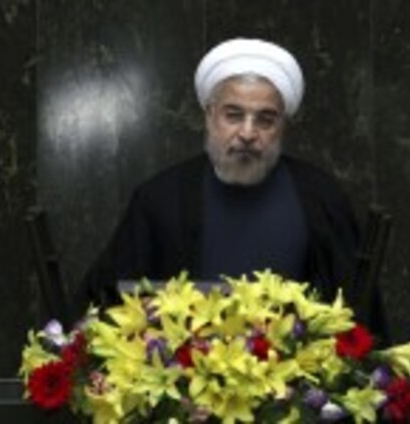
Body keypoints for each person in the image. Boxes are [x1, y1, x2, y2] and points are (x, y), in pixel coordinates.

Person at [73, 38, 387, 339]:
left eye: (265, 119)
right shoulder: (159, 199)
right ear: (209, 115)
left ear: (283, 125)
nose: (248, 133)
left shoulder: (322, 197)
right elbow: (105, 303)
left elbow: (359, 319)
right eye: (234, 115)